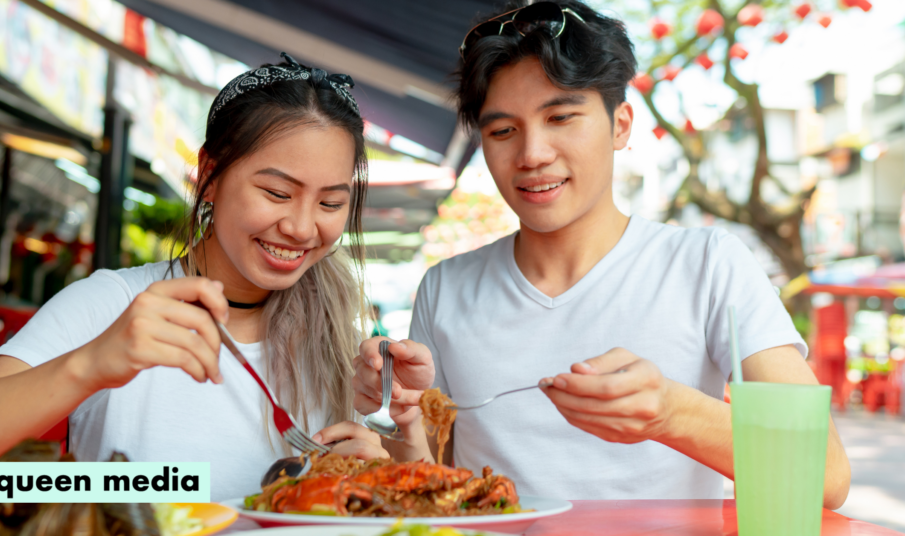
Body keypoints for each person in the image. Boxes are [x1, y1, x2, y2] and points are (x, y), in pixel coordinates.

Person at [342, 0, 851, 509]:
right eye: (503, 131)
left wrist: (671, 413)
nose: (532, 154)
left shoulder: (709, 264)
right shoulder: (447, 287)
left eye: (561, 116)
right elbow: (432, 480)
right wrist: (403, 416)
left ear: (621, 125)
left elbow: (825, 475)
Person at [0, 54, 387, 501]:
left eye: (330, 204)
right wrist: (92, 362)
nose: (303, 227)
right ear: (210, 174)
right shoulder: (114, 306)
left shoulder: (339, 346)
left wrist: (375, 467)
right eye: (277, 192)